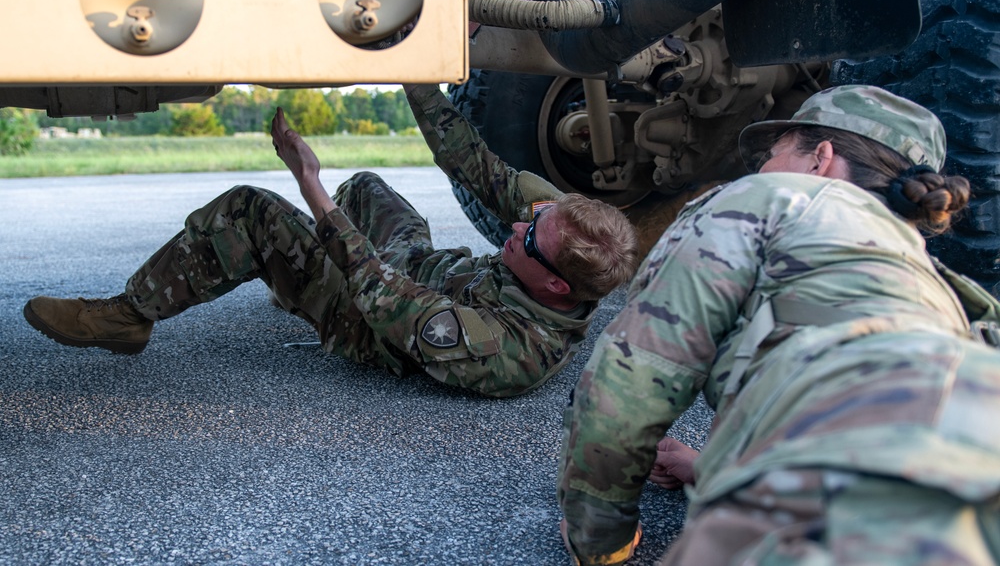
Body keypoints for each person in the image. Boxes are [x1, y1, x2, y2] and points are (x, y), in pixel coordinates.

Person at [557, 85, 1000, 564]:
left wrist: (599, 541)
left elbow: (631, 380)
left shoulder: (770, 197)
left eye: (772, 154)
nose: (762, 169)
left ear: (820, 159)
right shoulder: (936, 280)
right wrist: (712, 468)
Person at [22, 84, 639, 398]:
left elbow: (379, 293)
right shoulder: (557, 242)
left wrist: (308, 184)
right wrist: (414, 76)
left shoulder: (510, 351)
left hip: (369, 320)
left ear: (555, 284)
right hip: (419, 269)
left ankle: (129, 317)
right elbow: (473, 164)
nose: (515, 225)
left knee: (252, 212)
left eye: (527, 237)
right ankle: (296, 276)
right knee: (368, 187)